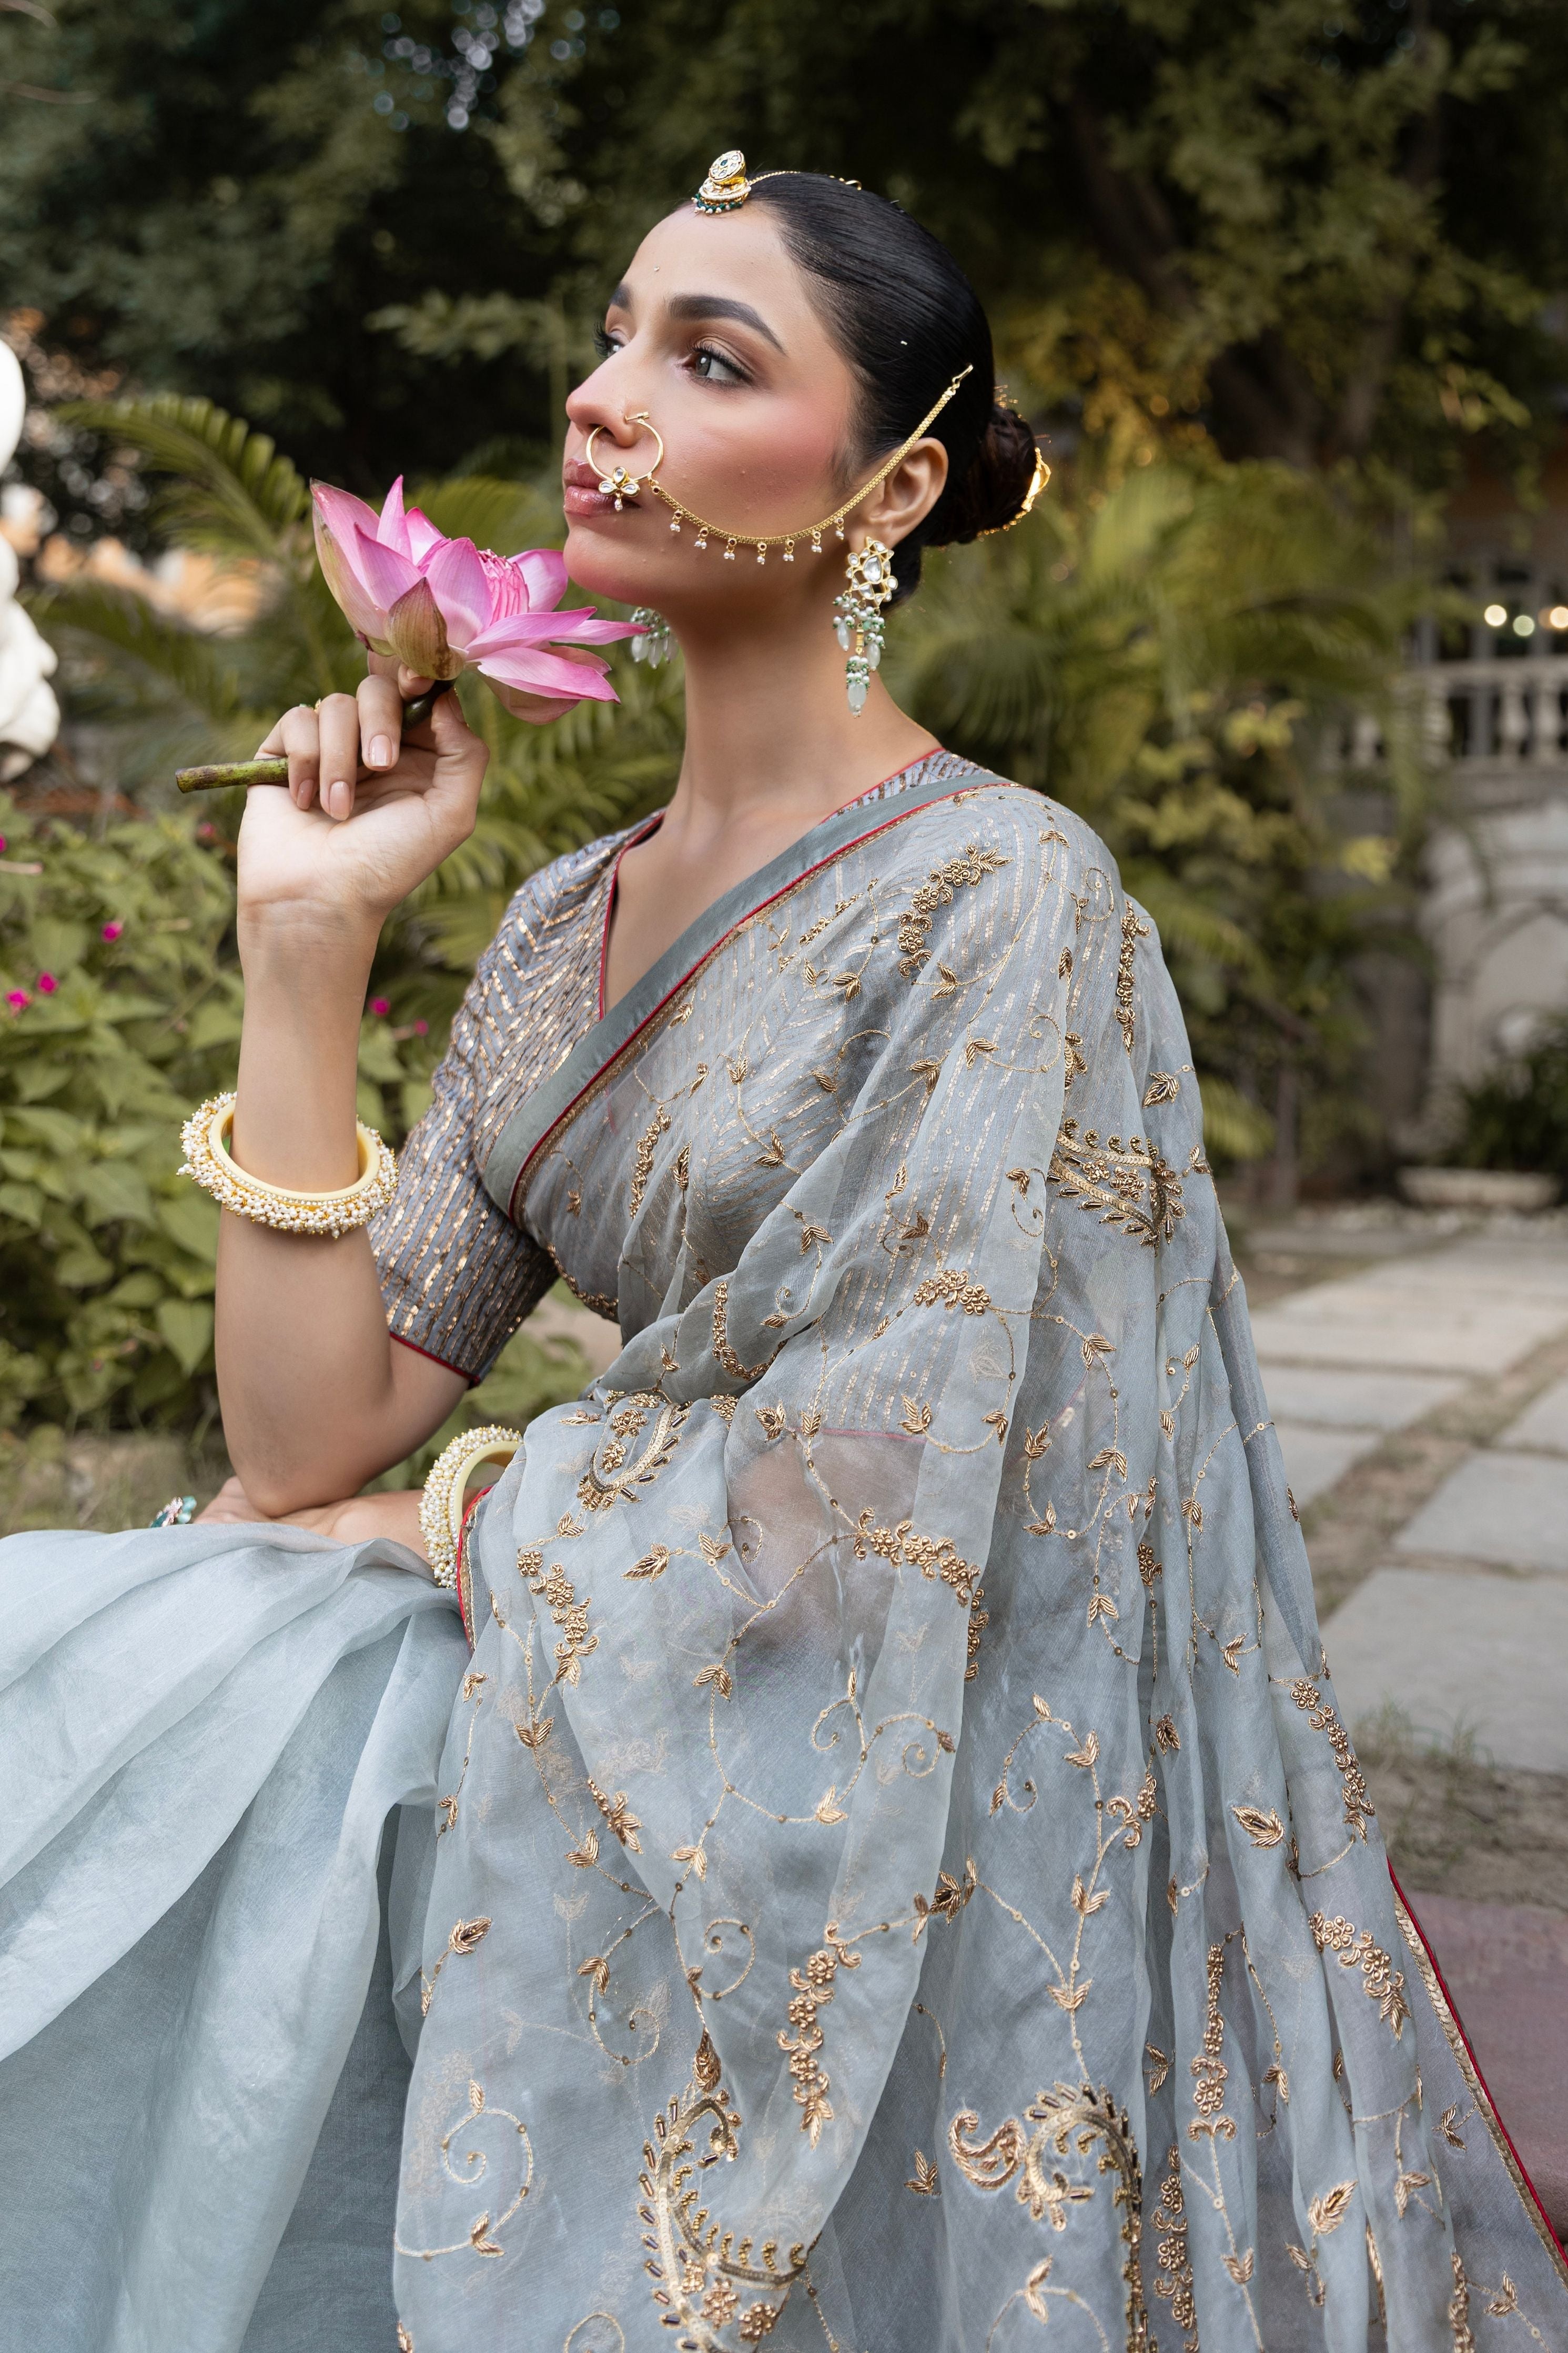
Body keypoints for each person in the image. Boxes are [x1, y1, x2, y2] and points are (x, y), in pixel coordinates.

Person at [2, 157, 1564, 2353]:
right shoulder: (565, 926)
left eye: (705, 358)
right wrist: (303, 943)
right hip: (605, 1653)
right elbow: (299, 1442)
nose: (599, 398)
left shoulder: (1003, 901)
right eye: (617, 331)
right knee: (106, 1639)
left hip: (882, 1744)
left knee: (226, 1678)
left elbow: (872, 1515)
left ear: (892, 483)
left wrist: (431, 1517)